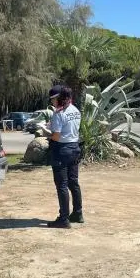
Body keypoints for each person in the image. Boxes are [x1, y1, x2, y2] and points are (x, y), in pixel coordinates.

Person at [45, 85, 83, 228]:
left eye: (53, 99)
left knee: (62, 185)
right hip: (75, 148)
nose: (52, 102)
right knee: (74, 182)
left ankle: (64, 219)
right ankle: (78, 213)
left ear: (59, 98)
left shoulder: (58, 113)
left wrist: (46, 133)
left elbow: (56, 136)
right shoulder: (75, 110)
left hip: (62, 150)